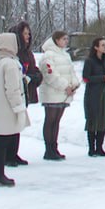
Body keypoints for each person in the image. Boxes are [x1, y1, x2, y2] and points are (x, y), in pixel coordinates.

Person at [0, 33, 30, 187]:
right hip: (6, 106)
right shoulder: (10, 64)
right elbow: (12, 89)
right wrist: (19, 107)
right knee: (2, 140)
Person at [38, 31, 80, 160]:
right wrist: (64, 86)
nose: (66, 41)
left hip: (64, 93)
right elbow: (50, 74)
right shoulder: (48, 55)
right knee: (50, 120)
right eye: (63, 39)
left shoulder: (66, 55)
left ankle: (54, 147)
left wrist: (74, 84)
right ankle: (48, 149)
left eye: (67, 39)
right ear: (56, 40)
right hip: (53, 92)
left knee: (56, 121)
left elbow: (71, 71)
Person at [5, 21, 42, 167]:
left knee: (18, 123)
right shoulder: (13, 53)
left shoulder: (28, 52)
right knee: (11, 123)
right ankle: (7, 154)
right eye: (24, 33)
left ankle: (14, 153)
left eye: (28, 33)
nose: (28, 36)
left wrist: (36, 76)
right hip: (15, 92)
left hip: (25, 91)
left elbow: (32, 69)